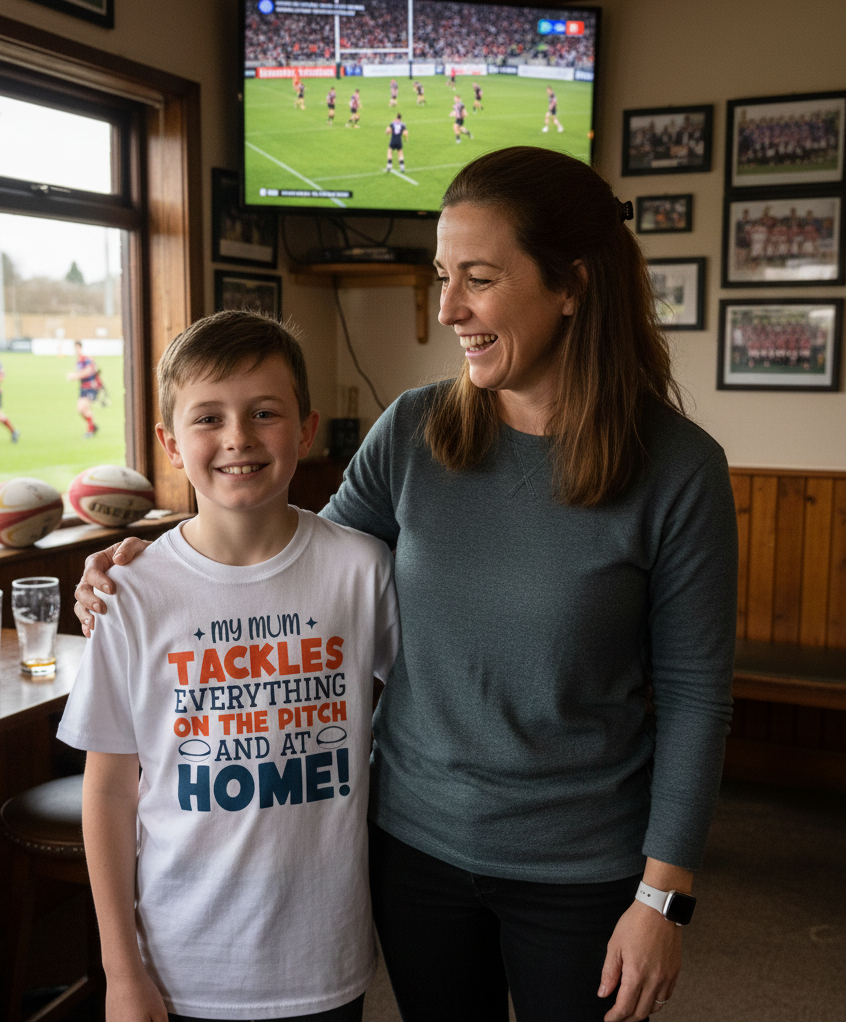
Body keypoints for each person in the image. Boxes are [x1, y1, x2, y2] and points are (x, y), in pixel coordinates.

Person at [75, 147, 739, 1022]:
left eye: (478, 278)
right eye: (441, 276)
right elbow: (288, 553)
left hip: (581, 866)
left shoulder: (678, 470)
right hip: (413, 851)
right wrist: (160, 554)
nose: (448, 308)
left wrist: (663, 895)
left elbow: (696, 697)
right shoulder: (415, 431)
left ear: (572, 284)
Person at [60, 310, 399, 1022]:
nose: (238, 438)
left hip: (323, 958)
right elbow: (110, 794)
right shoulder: (130, 591)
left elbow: (432, 705)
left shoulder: (360, 569)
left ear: (306, 431)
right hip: (183, 964)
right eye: (207, 418)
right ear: (171, 445)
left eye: (264, 413)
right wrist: (120, 972)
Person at [67, 340, 102, 438]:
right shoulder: (78, 361)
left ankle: (90, 430)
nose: (76, 350)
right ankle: (93, 426)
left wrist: (75, 376)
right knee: (80, 409)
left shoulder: (87, 359)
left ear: (80, 348)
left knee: (84, 408)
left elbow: (89, 371)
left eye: (77, 348)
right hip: (83, 387)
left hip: (91, 387)